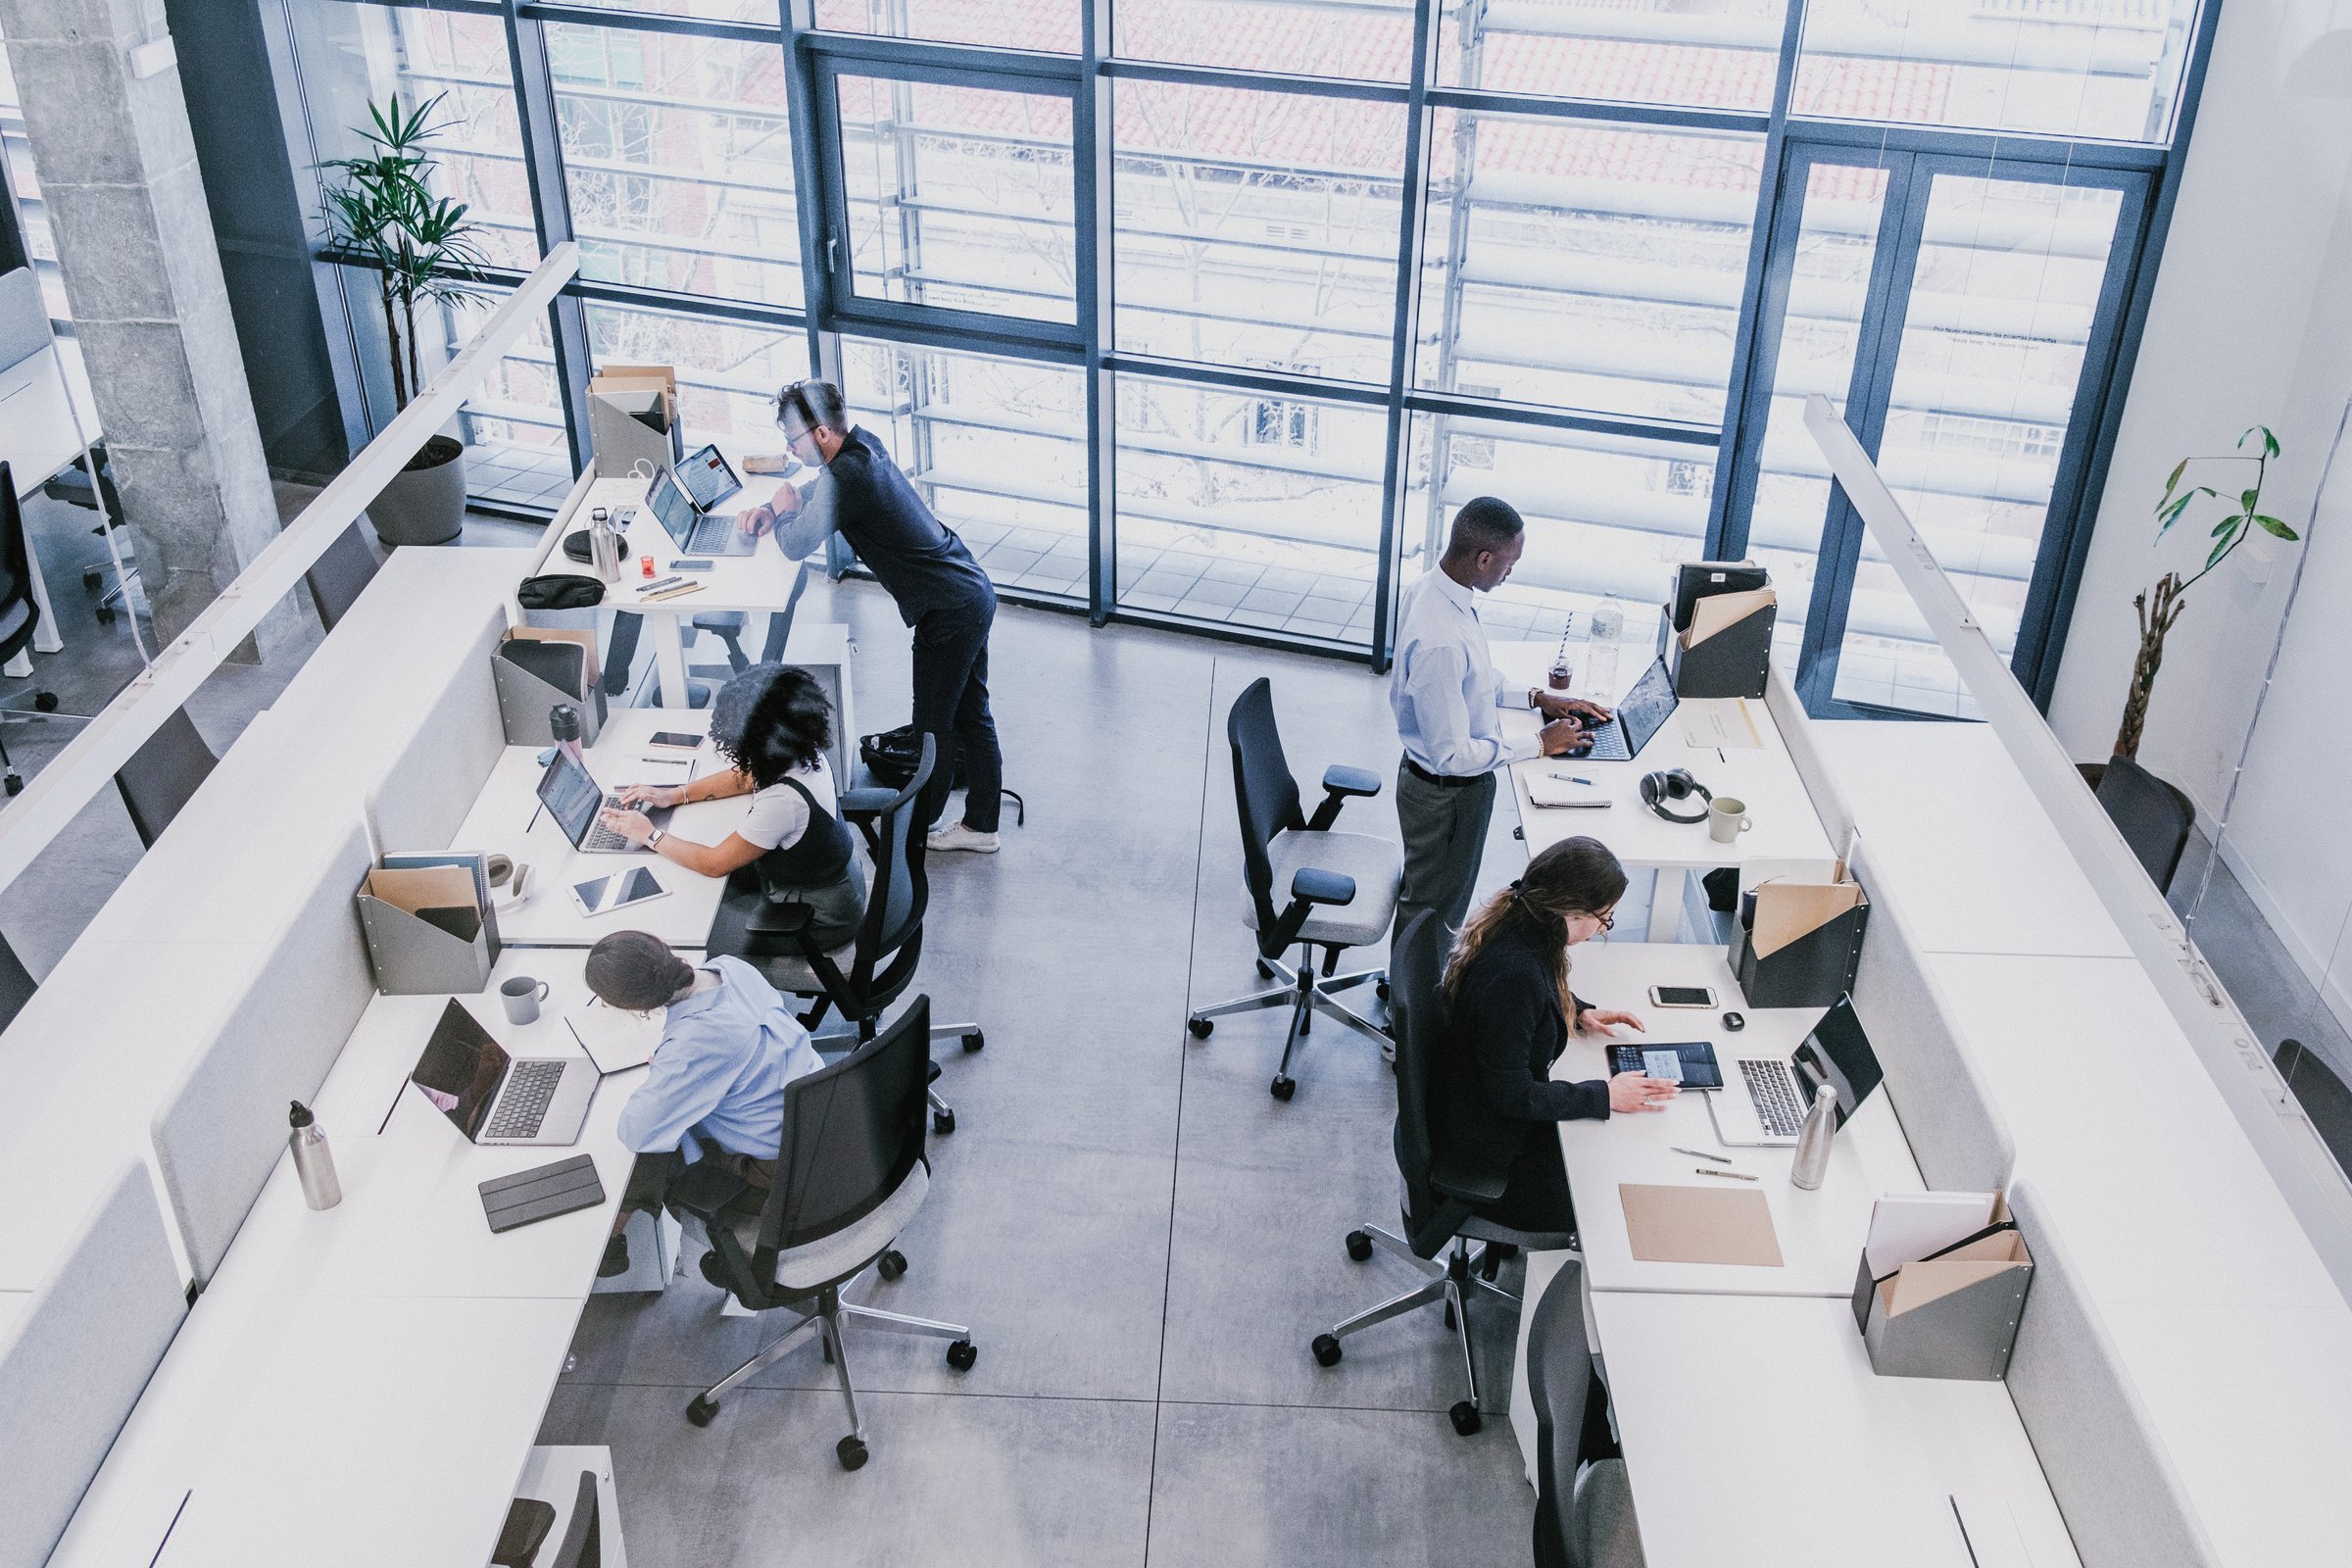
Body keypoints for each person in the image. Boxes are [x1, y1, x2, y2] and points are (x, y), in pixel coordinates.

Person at [737, 379, 1003, 854]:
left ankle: (918, 829)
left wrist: (777, 511)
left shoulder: (847, 478)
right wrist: (771, 505)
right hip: (969, 589)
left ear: (820, 435)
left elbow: (796, 541)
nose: (789, 449)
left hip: (948, 610)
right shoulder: (862, 446)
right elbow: (815, 488)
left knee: (934, 727)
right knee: (970, 714)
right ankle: (981, 824)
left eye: (793, 440)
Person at [1390, 497, 1613, 947]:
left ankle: (1414, 992)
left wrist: (1537, 697)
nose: (1511, 572)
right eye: (1509, 563)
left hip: (1444, 789)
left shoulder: (1438, 592)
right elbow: (1453, 756)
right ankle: (1412, 1012)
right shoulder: (1440, 640)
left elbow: (1475, 681)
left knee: (1437, 903)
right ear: (1484, 558)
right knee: (1433, 910)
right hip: (1446, 796)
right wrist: (1540, 743)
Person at [1431, 837, 1678, 1234]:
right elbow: (1514, 1095)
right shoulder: (1515, 978)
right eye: (1605, 918)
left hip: (1471, 1107)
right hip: (1490, 1151)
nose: (1602, 930)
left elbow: (1529, 995)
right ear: (1574, 910)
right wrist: (1605, 1094)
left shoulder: (1521, 917)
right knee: (1614, 1203)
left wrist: (1576, 1010)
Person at [589, 930, 824, 1276]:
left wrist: (672, 1071)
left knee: (645, 1149)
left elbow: (635, 1132)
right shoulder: (731, 969)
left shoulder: (693, 1044)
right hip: (824, 1115)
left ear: (639, 1006)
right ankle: (613, 1236)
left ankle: (609, 1236)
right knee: (672, 1118)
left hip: (782, 1168)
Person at [598, 663, 870, 949]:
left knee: (698, 935)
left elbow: (714, 864)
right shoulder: (799, 749)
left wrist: (650, 835)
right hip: (830, 884)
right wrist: (673, 795)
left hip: (818, 919)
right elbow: (744, 779)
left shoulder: (784, 800)